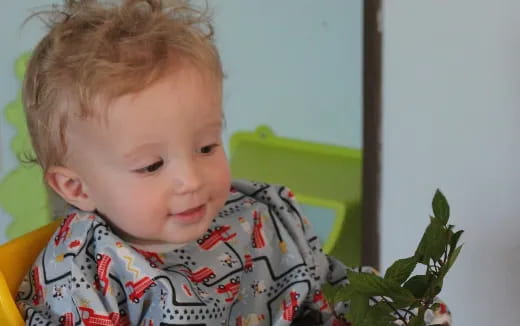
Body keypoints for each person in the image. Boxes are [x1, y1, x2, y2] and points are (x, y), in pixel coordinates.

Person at [15, 1, 452, 325]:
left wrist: (401, 313)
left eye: (206, 146)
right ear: (77, 188)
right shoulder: (82, 276)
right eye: (151, 165)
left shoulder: (264, 216)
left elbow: (333, 289)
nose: (191, 178)